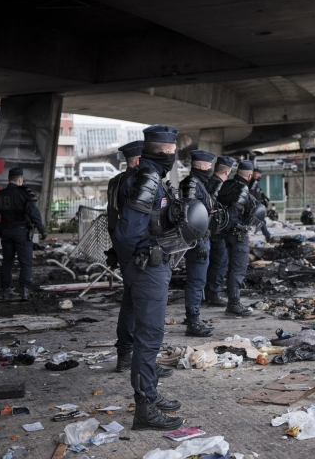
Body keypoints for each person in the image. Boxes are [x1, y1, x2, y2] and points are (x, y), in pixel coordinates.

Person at [111, 125, 185, 430]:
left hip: (145, 264)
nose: (172, 154)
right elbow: (127, 232)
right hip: (147, 266)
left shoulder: (143, 176)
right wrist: (134, 262)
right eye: (171, 150)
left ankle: (150, 395)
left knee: (145, 332)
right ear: (165, 151)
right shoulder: (147, 179)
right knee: (149, 335)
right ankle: (144, 408)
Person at [107, 140, 174, 380]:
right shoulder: (141, 182)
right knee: (147, 323)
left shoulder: (116, 182)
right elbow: (133, 226)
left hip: (124, 251)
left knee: (129, 307)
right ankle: (145, 384)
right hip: (139, 255)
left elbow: (113, 218)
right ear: (138, 159)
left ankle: (125, 355)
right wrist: (129, 259)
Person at [0, 166, 47, 301]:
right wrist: (42, 230)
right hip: (22, 232)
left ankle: (6, 292)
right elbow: (34, 214)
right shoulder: (25, 193)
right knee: (25, 262)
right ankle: (25, 292)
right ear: (20, 179)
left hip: (6, 233)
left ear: (9, 179)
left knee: (7, 262)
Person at [180, 150, 217, 337]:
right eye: (209, 165)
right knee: (196, 281)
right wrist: (199, 241)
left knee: (198, 281)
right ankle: (193, 321)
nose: (211, 169)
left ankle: (194, 318)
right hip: (198, 242)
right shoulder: (192, 184)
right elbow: (190, 216)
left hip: (201, 239)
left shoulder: (198, 183)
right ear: (202, 166)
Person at [217, 160, 259, 316]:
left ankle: (232, 302)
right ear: (249, 175)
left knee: (231, 268)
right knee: (238, 268)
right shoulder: (243, 189)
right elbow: (238, 213)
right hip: (238, 234)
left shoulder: (227, 184)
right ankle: (234, 304)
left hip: (225, 233)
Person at [204, 155, 234, 308]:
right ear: (227, 172)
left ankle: (208, 292)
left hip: (206, 230)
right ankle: (214, 293)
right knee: (221, 261)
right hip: (216, 231)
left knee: (210, 262)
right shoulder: (219, 186)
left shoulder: (206, 182)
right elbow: (216, 209)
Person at [249, 167, 271, 241]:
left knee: (261, 221)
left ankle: (267, 235)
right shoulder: (253, 182)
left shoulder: (256, 182)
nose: (259, 175)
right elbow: (250, 194)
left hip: (257, 206)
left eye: (260, 174)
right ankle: (267, 236)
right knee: (261, 221)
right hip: (253, 206)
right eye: (258, 173)